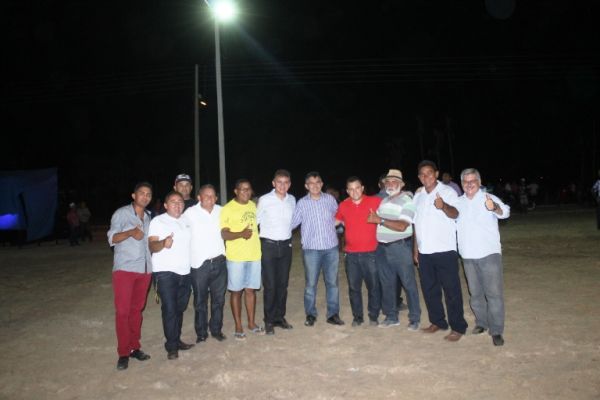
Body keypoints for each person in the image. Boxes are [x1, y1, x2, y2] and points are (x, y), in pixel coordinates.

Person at [413, 160, 468, 342]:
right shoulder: (418, 196)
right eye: (422, 174)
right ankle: (437, 321)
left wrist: (443, 205)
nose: (426, 177)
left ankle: (458, 327)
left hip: (445, 250)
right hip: (425, 252)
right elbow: (416, 224)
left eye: (429, 173)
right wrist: (415, 249)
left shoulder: (448, 192)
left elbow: (456, 213)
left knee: (451, 290)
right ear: (419, 177)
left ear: (436, 174)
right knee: (430, 290)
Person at [456, 168, 510, 346]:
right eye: (466, 181)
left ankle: (496, 330)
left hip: (489, 253)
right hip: (467, 255)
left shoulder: (489, 198)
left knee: (493, 294)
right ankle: (481, 322)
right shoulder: (458, 202)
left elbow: (505, 212)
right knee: (475, 293)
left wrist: (494, 207)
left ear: (479, 182)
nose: (469, 184)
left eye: (473, 181)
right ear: (461, 184)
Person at [107, 182, 154, 370]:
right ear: (134, 195)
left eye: (148, 194)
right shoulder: (121, 214)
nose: (145, 196)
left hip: (145, 270)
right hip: (125, 269)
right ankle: (123, 352)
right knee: (123, 312)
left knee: (137, 311)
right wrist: (130, 232)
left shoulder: (149, 217)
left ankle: (135, 347)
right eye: (142, 193)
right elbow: (112, 238)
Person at [367, 169, 421, 330]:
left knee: (408, 283)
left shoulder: (407, 200)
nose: (390, 184)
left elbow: (403, 225)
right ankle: (391, 317)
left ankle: (415, 319)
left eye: (394, 181)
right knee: (387, 284)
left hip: (399, 247)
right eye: (387, 182)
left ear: (401, 184)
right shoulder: (384, 201)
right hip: (382, 248)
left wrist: (380, 220)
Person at [291, 171, 344, 327]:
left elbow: (339, 217)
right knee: (310, 285)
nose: (315, 186)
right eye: (311, 183)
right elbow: (292, 223)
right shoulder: (302, 203)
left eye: (317, 182)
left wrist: (340, 226)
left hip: (331, 248)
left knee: (332, 283)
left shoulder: (330, 200)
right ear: (306, 186)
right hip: (311, 250)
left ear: (321, 184)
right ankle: (310, 314)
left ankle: (333, 314)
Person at [149, 191, 194, 360]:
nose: (177, 204)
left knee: (180, 308)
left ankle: (176, 339)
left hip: (185, 272)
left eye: (180, 202)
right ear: (166, 205)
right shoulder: (158, 221)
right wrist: (163, 243)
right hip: (165, 272)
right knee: (169, 309)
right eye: (173, 202)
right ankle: (172, 346)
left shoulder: (186, 221)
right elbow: (152, 246)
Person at [183, 184, 228, 343]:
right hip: (199, 264)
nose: (210, 198)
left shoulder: (222, 211)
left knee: (219, 299)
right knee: (200, 301)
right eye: (206, 195)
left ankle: (216, 329)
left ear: (216, 198)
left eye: (213, 195)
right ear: (199, 197)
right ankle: (201, 332)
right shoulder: (189, 213)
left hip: (219, 261)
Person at [335, 176, 382, 327]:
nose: (354, 191)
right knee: (354, 288)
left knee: (373, 287)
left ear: (362, 188)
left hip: (371, 253)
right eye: (351, 189)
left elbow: (388, 213)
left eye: (357, 188)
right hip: (351, 255)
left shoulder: (375, 201)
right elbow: (335, 221)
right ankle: (358, 317)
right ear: (347, 191)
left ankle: (373, 316)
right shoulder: (343, 205)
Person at [220, 179, 264, 340]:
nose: (245, 192)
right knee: (236, 291)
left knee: (251, 290)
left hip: (254, 255)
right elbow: (224, 234)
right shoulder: (227, 208)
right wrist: (240, 234)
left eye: (248, 189)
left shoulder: (253, 206)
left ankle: (251, 323)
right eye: (242, 189)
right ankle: (238, 326)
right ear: (236, 191)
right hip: (236, 258)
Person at [257, 169, 296, 335]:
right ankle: (269, 320)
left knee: (282, 284)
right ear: (273, 183)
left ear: (289, 184)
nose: (282, 185)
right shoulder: (265, 200)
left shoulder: (292, 200)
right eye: (279, 182)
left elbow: (294, 222)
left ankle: (280, 317)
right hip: (269, 246)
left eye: (286, 182)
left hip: (286, 246)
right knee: (270, 285)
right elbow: (255, 221)